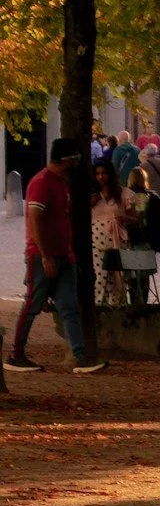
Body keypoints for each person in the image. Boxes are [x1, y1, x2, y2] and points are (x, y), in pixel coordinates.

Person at [7, 138, 106, 374]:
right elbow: (35, 219)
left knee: (69, 306)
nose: (76, 164)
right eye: (74, 160)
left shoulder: (61, 183)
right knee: (32, 303)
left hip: (63, 254)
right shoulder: (42, 183)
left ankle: (80, 356)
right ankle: (16, 354)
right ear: (65, 159)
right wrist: (45, 255)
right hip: (44, 256)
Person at [120, 168, 160, 304]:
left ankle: (134, 303)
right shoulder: (153, 198)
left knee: (132, 276)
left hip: (132, 240)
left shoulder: (127, 197)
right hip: (147, 242)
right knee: (144, 276)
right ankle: (143, 303)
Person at [91, 159, 128, 307]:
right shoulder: (92, 194)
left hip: (117, 240)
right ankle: (99, 306)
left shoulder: (123, 193)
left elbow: (136, 218)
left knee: (118, 278)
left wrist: (123, 218)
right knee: (100, 276)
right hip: (96, 240)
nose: (101, 177)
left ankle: (117, 307)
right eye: (98, 173)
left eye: (104, 173)